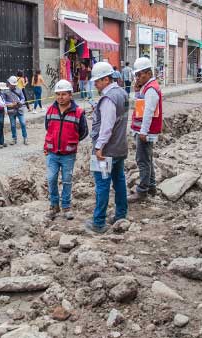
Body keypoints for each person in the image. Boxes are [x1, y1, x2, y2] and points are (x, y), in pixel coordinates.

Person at [85, 61, 129, 234]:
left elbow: (107, 126)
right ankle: (120, 215)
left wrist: (99, 147)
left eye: (96, 81)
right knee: (119, 181)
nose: (95, 84)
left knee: (102, 185)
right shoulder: (122, 93)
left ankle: (98, 222)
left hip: (106, 152)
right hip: (120, 148)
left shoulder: (108, 98)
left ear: (105, 79)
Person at [44, 80, 89, 220]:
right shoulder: (50, 110)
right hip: (52, 153)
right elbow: (48, 128)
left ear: (71, 95)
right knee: (51, 179)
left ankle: (66, 207)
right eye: (58, 94)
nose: (60, 97)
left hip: (68, 154)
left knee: (67, 180)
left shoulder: (78, 113)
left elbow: (83, 132)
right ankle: (54, 205)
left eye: (63, 94)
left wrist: (71, 142)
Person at [128, 57, 162, 203]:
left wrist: (143, 131)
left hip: (146, 132)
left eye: (139, 75)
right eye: (136, 75)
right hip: (144, 130)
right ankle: (151, 186)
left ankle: (142, 191)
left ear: (148, 73)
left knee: (142, 160)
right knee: (147, 159)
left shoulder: (151, 89)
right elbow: (140, 106)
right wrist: (136, 91)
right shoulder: (147, 87)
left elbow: (148, 112)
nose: (137, 78)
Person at [5, 76, 29, 145]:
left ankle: (25, 138)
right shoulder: (6, 91)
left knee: (23, 123)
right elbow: (4, 101)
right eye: (12, 84)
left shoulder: (19, 90)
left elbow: (23, 98)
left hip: (19, 109)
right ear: (9, 83)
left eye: (14, 85)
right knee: (12, 125)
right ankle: (14, 139)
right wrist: (11, 104)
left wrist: (20, 102)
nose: (13, 86)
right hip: (11, 111)